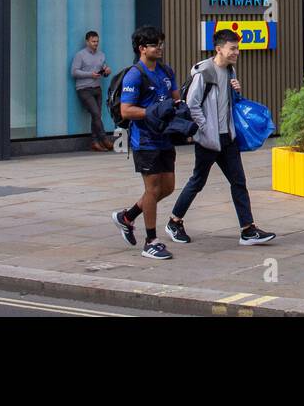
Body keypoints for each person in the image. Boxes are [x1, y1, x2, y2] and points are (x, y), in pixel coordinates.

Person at [163, 29, 275, 246]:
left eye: (237, 48)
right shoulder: (204, 72)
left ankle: (248, 230)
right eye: (232, 48)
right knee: (197, 181)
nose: (236, 52)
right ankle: (174, 222)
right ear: (219, 49)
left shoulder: (230, 71)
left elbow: (228, 103)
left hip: (228, 137)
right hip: (209, 139)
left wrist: (237, 92)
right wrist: (204, 129)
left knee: (239, 182)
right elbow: (192, 104)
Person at [112, 26, 180, 260]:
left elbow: (175, 99)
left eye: (161, 43)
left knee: (168, 187)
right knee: (152, 190)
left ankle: (127, 217)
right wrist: (153, 111)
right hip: (145, 140)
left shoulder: (167, 71)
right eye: (154, 44)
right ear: (142, 49)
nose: (159, 47)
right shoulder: (134, 75)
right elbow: (127, 110)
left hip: (165, 138)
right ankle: (150, 241)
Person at [71, 30, 113, 151]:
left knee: (97, 115)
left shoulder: (101, 55)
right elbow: (74, 72)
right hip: (84, 89)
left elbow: (103, 68)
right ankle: (104, 139)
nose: (95, 43)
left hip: (97, 88)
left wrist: (106, 71)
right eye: (93, 41)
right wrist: (90, 74)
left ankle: (95, 142)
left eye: (97, 41)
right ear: (87, 41)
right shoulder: (80, 55)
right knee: (95, 113)